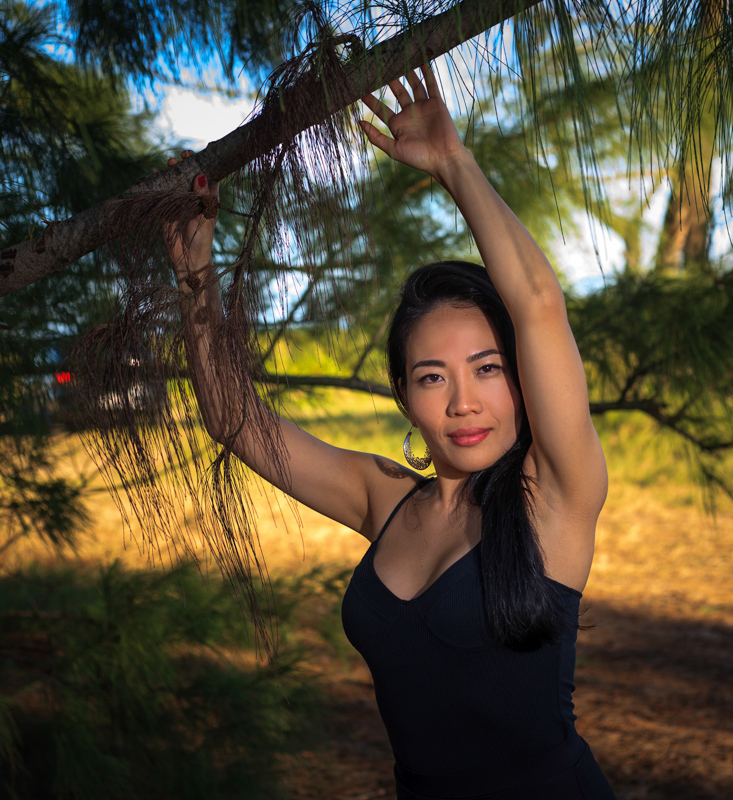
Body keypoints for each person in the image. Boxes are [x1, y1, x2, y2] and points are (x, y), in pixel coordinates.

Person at [163, 62, 616, 799]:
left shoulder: (555, 497)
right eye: (434, 377)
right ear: (405, 396)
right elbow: (234, 419)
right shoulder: (385, 499)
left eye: (489, 369)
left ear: (523, 381)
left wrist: (452, 164)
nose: (464, 403)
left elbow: (537, 305)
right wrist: (195, 277)